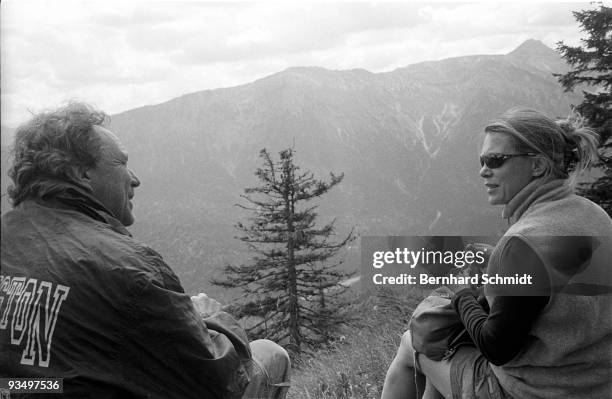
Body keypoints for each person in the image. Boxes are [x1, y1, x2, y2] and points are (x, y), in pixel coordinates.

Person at [0, 102, 290, 398]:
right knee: (270, 354)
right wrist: (211, 315)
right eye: (121, 163)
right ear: (80, 174)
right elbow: (220, 380)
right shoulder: (127, 267)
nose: (134, 179)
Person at [381, 107, 612, 399]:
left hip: (535, 391)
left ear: (538, 166)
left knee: (412, 346)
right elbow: (562, 284)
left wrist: (461, 291)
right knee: (441, 363)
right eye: (482, 160)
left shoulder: (525, 240)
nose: (483, 170)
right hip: (595, 382)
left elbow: (497, 348)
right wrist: (501, 269)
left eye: (495, 160)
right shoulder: (594, 214)